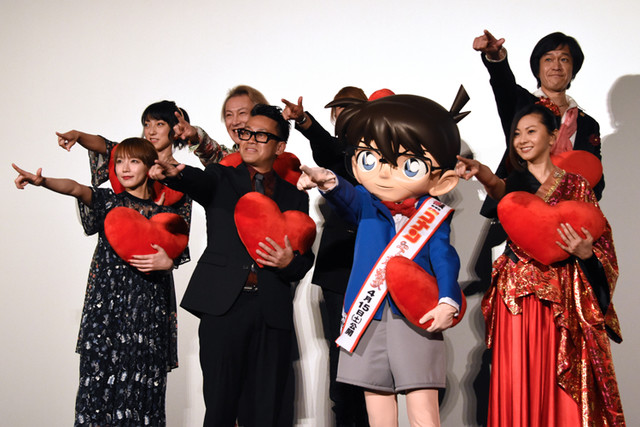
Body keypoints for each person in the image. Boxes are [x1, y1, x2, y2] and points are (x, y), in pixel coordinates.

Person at [298, 91, 468, 427]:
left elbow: (445, 258)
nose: (385, 173)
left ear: (442, 180)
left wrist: (448, 300)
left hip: (415, 314)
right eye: (371, 158)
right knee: (376, 406)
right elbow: (346, 197)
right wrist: (328, 181)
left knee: (423, 407)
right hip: (367, 314)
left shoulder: (433, 214)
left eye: (407, 163)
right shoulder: (366, 201)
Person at [455, 104, 624, 426]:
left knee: (559, 378)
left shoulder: (577, 186)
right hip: (516, 300)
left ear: (553, 136)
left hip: (563, 302)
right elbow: (502, 192)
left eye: (531, 131)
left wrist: (587, 254)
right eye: (517, 134)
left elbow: (604, 246)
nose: (522, 139)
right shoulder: (515, 184)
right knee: (517, 377)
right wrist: (481, 172)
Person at [149, 104, 315, 427]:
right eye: (246, 133)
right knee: (220, 407)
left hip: (271, 311)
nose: (250, 139)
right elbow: (196, 181)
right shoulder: (221, 177)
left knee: (265, 411)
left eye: (261, 135)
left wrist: (289, 262)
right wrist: (176, 173)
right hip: (224, 308)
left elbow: (304, 259)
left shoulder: (295, 197)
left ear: (279, 147)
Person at [13, 138, 188, 426]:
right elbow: (75, 188)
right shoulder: (108, 201)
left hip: (147, 314)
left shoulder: (167, 216)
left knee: (142, 391)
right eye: (119, 161)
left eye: (133, 161)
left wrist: (168, 263)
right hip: (105, 311)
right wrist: (42, 182)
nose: (124, 168)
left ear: (149, 166)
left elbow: (177, 255)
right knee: (97, 387)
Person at [282, 86, 370, 426]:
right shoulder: (337, 154)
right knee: (341, 359)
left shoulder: (380, 154)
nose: (345, 116)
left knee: (373, 361)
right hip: (338, 272)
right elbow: (328, 149)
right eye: (339, 111)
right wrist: (304, 121)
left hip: (377, 269)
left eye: (352, 109)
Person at [473, 30, 604, 218]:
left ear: (573, 68)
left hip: (567, 219)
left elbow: (595, 177)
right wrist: (495, 57)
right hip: (520, 210)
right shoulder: (522, 104)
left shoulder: (588, 124)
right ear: (537, 68)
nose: (556, 66)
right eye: (548, 59)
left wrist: (579, 211)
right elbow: (503, 83)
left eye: (564, 59)